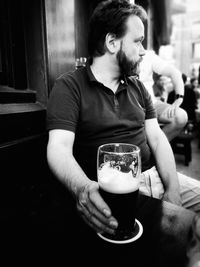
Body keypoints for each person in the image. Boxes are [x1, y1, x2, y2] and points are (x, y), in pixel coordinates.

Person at [46, 0, 200, 240]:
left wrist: (173, 190)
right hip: (114, 191)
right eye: (138, 41)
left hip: (156, 176)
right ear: (111, 42)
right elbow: (58, 148)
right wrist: (83, 188)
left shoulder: (137, 86)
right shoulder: (69, 86)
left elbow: (158, 140)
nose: (143, 51)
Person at [138, 49, 188, 141]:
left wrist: (179, 99)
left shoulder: (148, 55)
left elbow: (175, 73)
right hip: (127, 105)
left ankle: (154, 150)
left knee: (181, 117)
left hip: (151, 103)